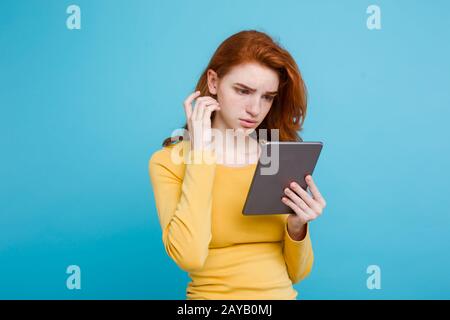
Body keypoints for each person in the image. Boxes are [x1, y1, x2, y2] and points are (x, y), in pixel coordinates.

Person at [148, 30, 327, 300]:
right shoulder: (169, 162)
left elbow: (298, 274)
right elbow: (189, 257)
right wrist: (200, 156)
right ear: (213, 82)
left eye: (267, 97)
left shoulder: (276, 156)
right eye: (243, 91)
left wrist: (297, 227)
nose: (255, 108)